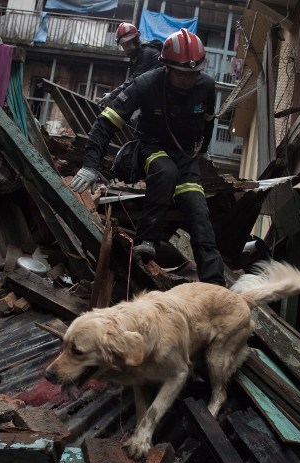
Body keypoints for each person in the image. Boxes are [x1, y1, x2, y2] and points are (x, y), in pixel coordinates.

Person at [71, 29, 225, 286]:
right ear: (166, 67)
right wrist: (90, 166)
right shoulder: (146, 84)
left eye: (193, 74)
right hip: (151, 147)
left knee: (198, 210)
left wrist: (204, 151)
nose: (188, 80)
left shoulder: (206, 87)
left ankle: (215, 283)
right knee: (165, 171)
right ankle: (146, 242)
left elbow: (208, 122)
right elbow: (105, 122)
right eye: (182, 74)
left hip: (186, 156)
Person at [98, 22, 162, 107]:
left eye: (128, 44)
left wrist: (112, 95)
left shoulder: (146, 52)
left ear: (136, 40)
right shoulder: (138, 54)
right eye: (123, 46)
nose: (126, 49)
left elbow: (134, 80)